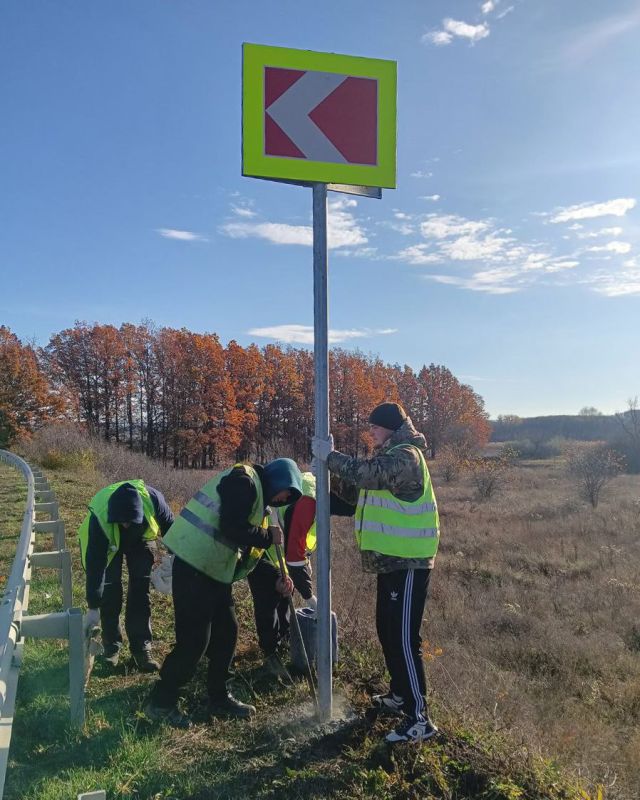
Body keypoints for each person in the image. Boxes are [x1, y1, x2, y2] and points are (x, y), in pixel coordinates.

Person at [312, 402, 440, 744]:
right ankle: (399, 695)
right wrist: (322, 478)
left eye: (375, 427)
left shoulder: (407, 456)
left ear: (390, 427)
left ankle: (419, 718)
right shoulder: (389, 456)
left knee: (403, 637)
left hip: (409, 561)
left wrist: (331, 457)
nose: (370, 432)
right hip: (390, 561)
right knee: (386, 629)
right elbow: (355, 493)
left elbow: (368, 475)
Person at [145, 458, 302, 728]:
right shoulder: (244, 481)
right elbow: (231, 527)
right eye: (286, 492)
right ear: (279, 479)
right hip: (195, 566)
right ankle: (161, 702)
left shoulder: (257, 500)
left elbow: (248, 554)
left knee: (226, 632)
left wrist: (277, 577)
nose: (283, 498)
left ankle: (219, 697)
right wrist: (267, 537)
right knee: (194, 640)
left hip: (213, 571)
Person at [247, 470, 354, 676]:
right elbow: (294, 556)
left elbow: (300, 546)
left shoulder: (319, 489)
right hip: (263, 551)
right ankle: (271, 655)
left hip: (283, 553)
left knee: (285, 597)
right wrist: (310, 598)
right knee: (268, 599)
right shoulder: (308, 502)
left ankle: (288, 641)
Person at [78, 480, 174, 671]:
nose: (126, 525)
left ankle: (141, 649)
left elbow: (173, 530)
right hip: (109, 544)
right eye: (122, 522)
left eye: (130, 521)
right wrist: (93, 606)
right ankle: (111, 648)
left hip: (141, 541)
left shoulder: (154, 500)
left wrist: (174, 560)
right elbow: (96, 564)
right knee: (110, 592)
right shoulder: (100, 519)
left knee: (140, 590)